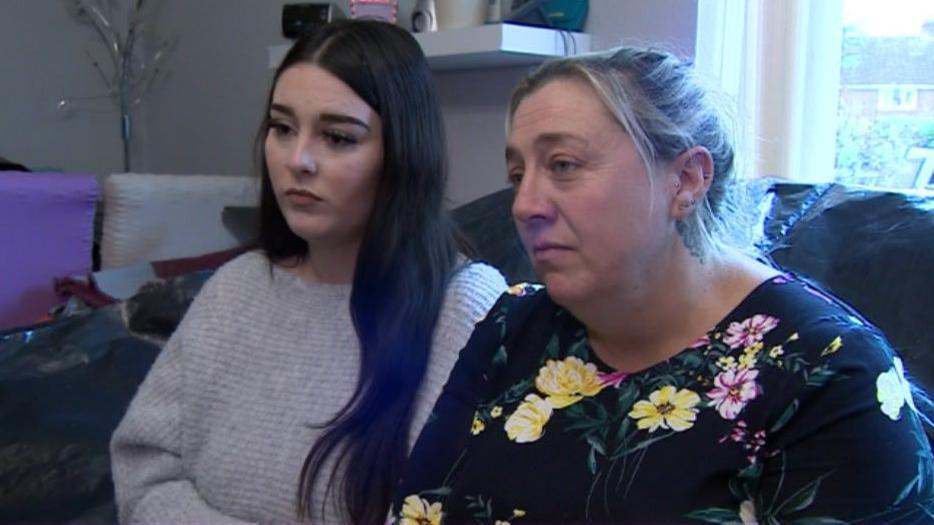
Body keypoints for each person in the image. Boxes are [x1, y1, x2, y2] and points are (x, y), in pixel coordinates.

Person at [391, 46, 934, 524]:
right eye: (517, 176)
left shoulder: (829, 376)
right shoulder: (512, 327)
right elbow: (419, 511)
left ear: (687, 179)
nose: (525, 206)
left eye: (563, 165)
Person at [110, 20, 506, 524]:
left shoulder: (467, 311)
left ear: (403, 154)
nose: (297, 160)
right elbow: (144, 470)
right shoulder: (237, 290)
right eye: (282, 128)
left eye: (338, 138)